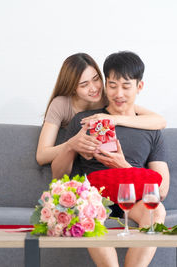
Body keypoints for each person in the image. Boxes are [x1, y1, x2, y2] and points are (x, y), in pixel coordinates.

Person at [52, 51, 170, 267]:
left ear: (139, 87)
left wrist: (123, 166)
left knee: (157, 211)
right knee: (83, 204)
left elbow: (161, 190)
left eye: (126, 86)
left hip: (133, 198)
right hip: (93, 199)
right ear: (106, 85)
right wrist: (71, 145)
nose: (118, 93)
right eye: (113, 85)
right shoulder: (85, 121)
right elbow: (58, 174)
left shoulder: (151, 129)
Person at [36, 53, 167, 166]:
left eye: (96, 79)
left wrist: (114, 119)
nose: (94, 88)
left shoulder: (109, 97)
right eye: (84, 84)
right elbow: (42, 156)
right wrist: (72, 144)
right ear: (73, 88)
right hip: (70, 154)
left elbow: (159, 121)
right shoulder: (61, 104)